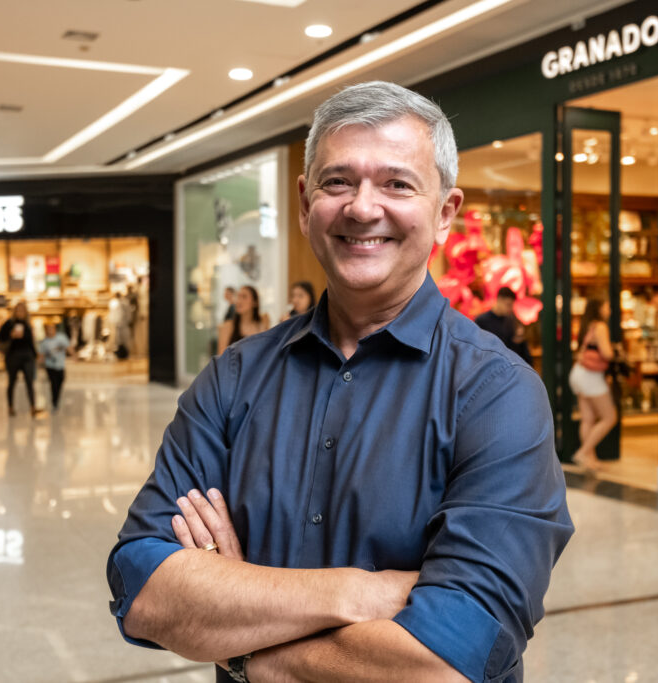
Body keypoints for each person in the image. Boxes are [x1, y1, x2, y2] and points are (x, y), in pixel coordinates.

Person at [107, 81, 573, 683]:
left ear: (445, 213)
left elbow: (449, 661)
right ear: (305, 205)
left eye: (397, 183)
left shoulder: (498, 394)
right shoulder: (233, 379)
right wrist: (362, 593)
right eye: (338, 182)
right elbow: (143, 587)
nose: (362, 207)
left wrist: (242, 639)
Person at [569, 297, 617, 470]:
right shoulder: (601, 326)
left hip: (578, 373)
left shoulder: (587, 326)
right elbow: (607, 353)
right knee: (609, 417)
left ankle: (590, 459)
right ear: (599, 308)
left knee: (587, 419)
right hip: (591, 376)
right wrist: (615, 350)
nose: (609, 310)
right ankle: (583, 453)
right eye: (607, 306)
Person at [0, 302, 44, 418]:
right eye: (19, 310)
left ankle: (33, 407)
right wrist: (11, 335)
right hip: (13, 356)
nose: (21, 313)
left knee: (30, 382)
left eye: (23, 310)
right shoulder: (9, 324)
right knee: (12, 382)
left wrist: (36, 355)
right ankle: (10, 407)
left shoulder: (27, 324)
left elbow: (31, 342)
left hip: (27, 356)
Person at [474, 286, 533, 365]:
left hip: (510, 365)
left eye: (512, 305)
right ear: (499, 300)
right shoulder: (482, 321)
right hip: (490, 365)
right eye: (508, 305)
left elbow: (518, 347)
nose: (510, 309)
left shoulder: (512, 320)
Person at [216, 284, 269, 355]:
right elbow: (222, 357)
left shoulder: (262, 326)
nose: (239, 301)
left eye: (244, 297)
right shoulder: (227, 327)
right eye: (238, 297)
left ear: (255, 302)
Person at [38, 323, 71, 411]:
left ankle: (56, 399)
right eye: (48, 329)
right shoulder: (44, 342)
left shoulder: (61, 338)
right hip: (50, 366)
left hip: (60, 365)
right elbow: (41, 355)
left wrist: (74, 356)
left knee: (60, 381)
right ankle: (54, 402)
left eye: (51, 328)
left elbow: (68, 347)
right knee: (54, 384)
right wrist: (39, 364)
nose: (50, 331)